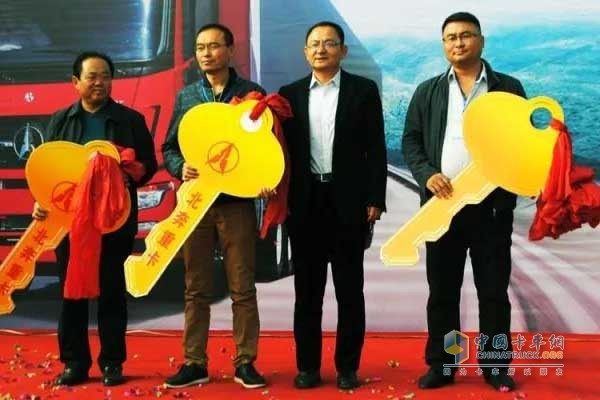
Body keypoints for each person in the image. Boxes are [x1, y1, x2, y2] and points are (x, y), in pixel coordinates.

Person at [402, 12, 526, 391]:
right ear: (444, 45)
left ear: (481, 41)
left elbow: (522, 140)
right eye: (451, 37)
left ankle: (494, 366)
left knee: (493, 292)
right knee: (443, 293)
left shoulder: (507, 88)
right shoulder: (428, 91)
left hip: (492, 209)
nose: (458, 43)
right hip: (443, 208)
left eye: (466, 35)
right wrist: (427, 174)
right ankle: (444, 364)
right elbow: (411, 141)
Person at [32, 51, 157, 387]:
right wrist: (40, 201)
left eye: (105, 76)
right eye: (91, 76)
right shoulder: (60, 120)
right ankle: (74, 363)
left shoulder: (130, 120)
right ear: (76, 82)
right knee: (72, 291)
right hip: (69, 221)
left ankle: (112, 362)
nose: (99, 82)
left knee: (112, 291)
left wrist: (125, 172)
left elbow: (148, 165)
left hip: (114, 219)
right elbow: (47, 168)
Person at [279, 21, 387, 390]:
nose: (321, 49)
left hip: (348, 203)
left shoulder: (362, 91)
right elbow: (278, 151)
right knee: (307, 293)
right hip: (305, 203)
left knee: (349, 292)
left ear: (343, 50)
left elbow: (375, 148)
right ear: (305, 52)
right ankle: (308, 367)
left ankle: (347, 368)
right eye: (314, 44)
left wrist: (375, 198)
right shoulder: (289, 95)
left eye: (329, 43)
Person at [161, 23, 267, 389]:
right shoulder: (187, 96)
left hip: (236, 203)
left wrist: (263, 178)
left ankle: (245, 362)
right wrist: (180, 167)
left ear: (230, 51)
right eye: (200, 47)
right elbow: (170, 147)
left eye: (214, 46)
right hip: (197, 203)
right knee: (195, 287)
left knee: (242, 285)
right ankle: (195, 362)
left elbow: (264, 146)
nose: (206, 53)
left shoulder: (251, 95)